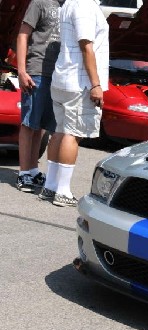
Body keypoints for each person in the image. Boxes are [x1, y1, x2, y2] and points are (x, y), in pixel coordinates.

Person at [40, 0, 109, 207]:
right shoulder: (85, 6)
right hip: (79, 82)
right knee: (73, 134)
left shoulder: (69, 3)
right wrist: (95, 84)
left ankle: (50, 186)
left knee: (60, 132)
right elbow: (86, 45)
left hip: (63, 77)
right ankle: (62, 191)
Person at [15, 0, 63, 193]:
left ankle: (33, 170)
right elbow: (22, 35)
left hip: (59, 74)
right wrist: (21, 71)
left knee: (42, 126)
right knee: (29, 124)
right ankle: (23, 173)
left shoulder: (71, 5)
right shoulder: (40, 2)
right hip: (36, 69)